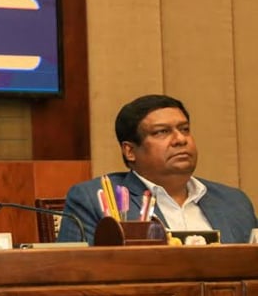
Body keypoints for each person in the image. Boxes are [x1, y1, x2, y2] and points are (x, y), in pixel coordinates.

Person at [57, 94, 257, 244]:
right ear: (130, 151)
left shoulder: (234, 202)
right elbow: (76, 272)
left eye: (184, 129)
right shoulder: (95, 199)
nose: (180, 139)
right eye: (162, 132)